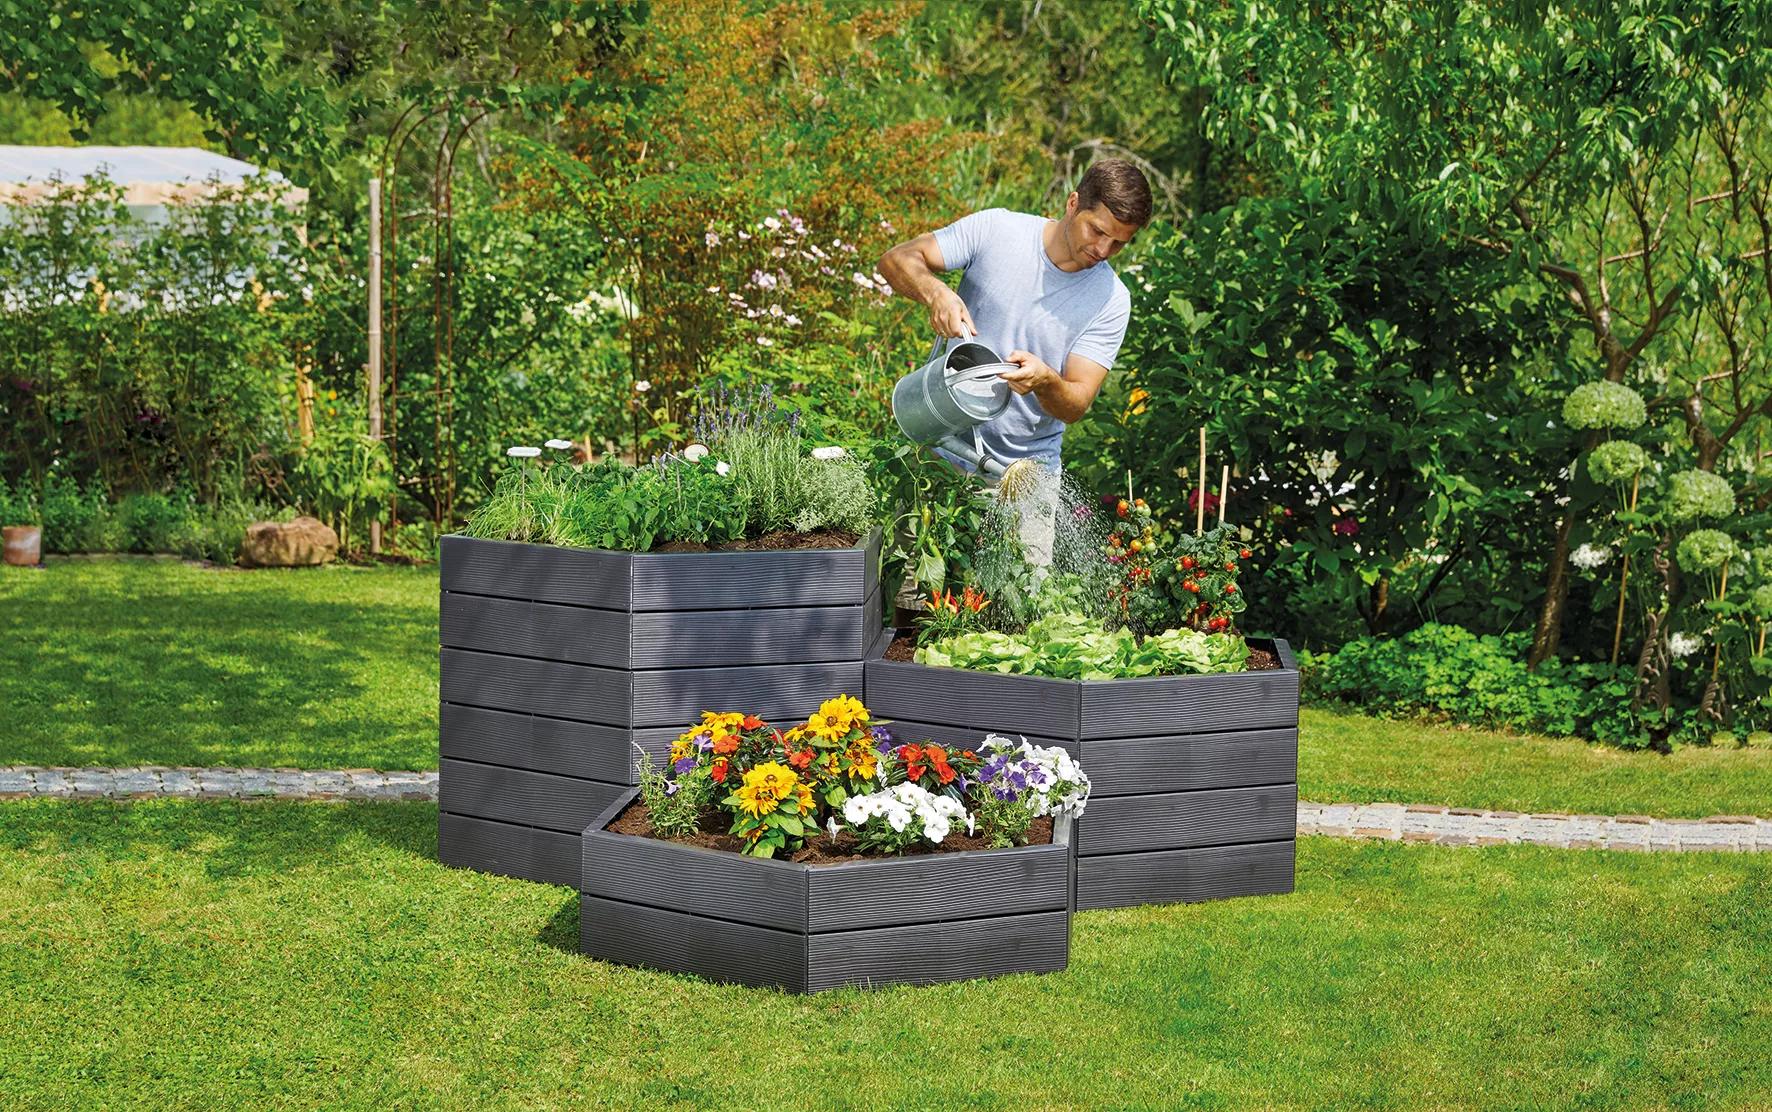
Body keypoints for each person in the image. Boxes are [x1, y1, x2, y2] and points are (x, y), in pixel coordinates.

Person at [877, 157, 1152, 563]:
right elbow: (895, 260)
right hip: (938, 452)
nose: (1103, 249)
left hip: (1024, 477)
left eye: (1119, 243)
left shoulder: (1111, 300)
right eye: (1097, 231)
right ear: (1073, 203)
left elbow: (1075, 403)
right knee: (912, 603)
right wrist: (936, 293)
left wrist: (1046, 382)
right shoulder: (999, 230)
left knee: (1019, 616)